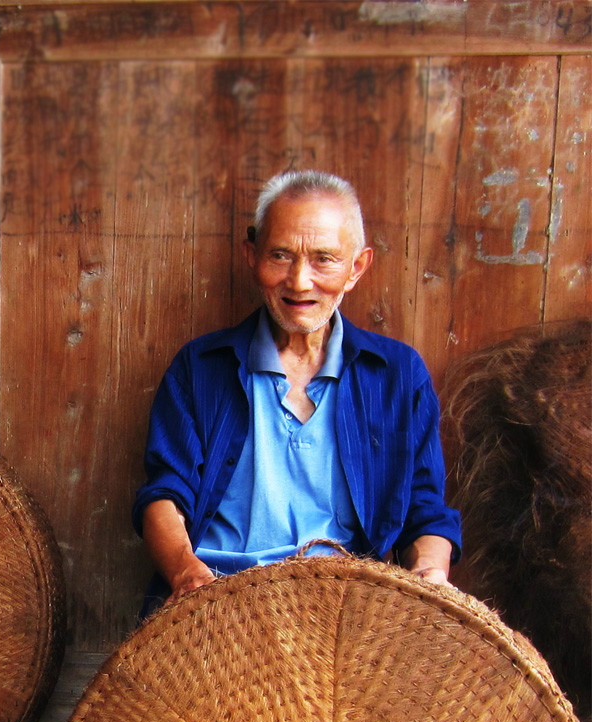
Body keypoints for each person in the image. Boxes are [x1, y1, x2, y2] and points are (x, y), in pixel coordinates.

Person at [132, 170, 461, 613]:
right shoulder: (201, 368)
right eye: (281, 255)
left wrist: (429, 574)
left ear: (356, 268)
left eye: (324, 258)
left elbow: (425, 510)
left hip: (343, 611)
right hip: (217, 599)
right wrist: (186, 572)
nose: (300, 281)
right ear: (253, 256)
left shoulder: (397, 375)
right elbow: (164, 494)